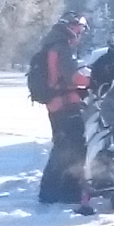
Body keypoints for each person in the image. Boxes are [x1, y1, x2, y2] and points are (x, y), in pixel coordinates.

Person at [25, 13, 88, 206]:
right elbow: (71, 77)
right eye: (80, 28)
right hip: (65, 104)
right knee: (72, 148)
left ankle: (61, 191)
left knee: (65, 147)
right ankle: (59, 192)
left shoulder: (53, 44)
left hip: (57, 104)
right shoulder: (62, 47)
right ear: (71, 26)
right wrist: (92, 82)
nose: (80, 32)